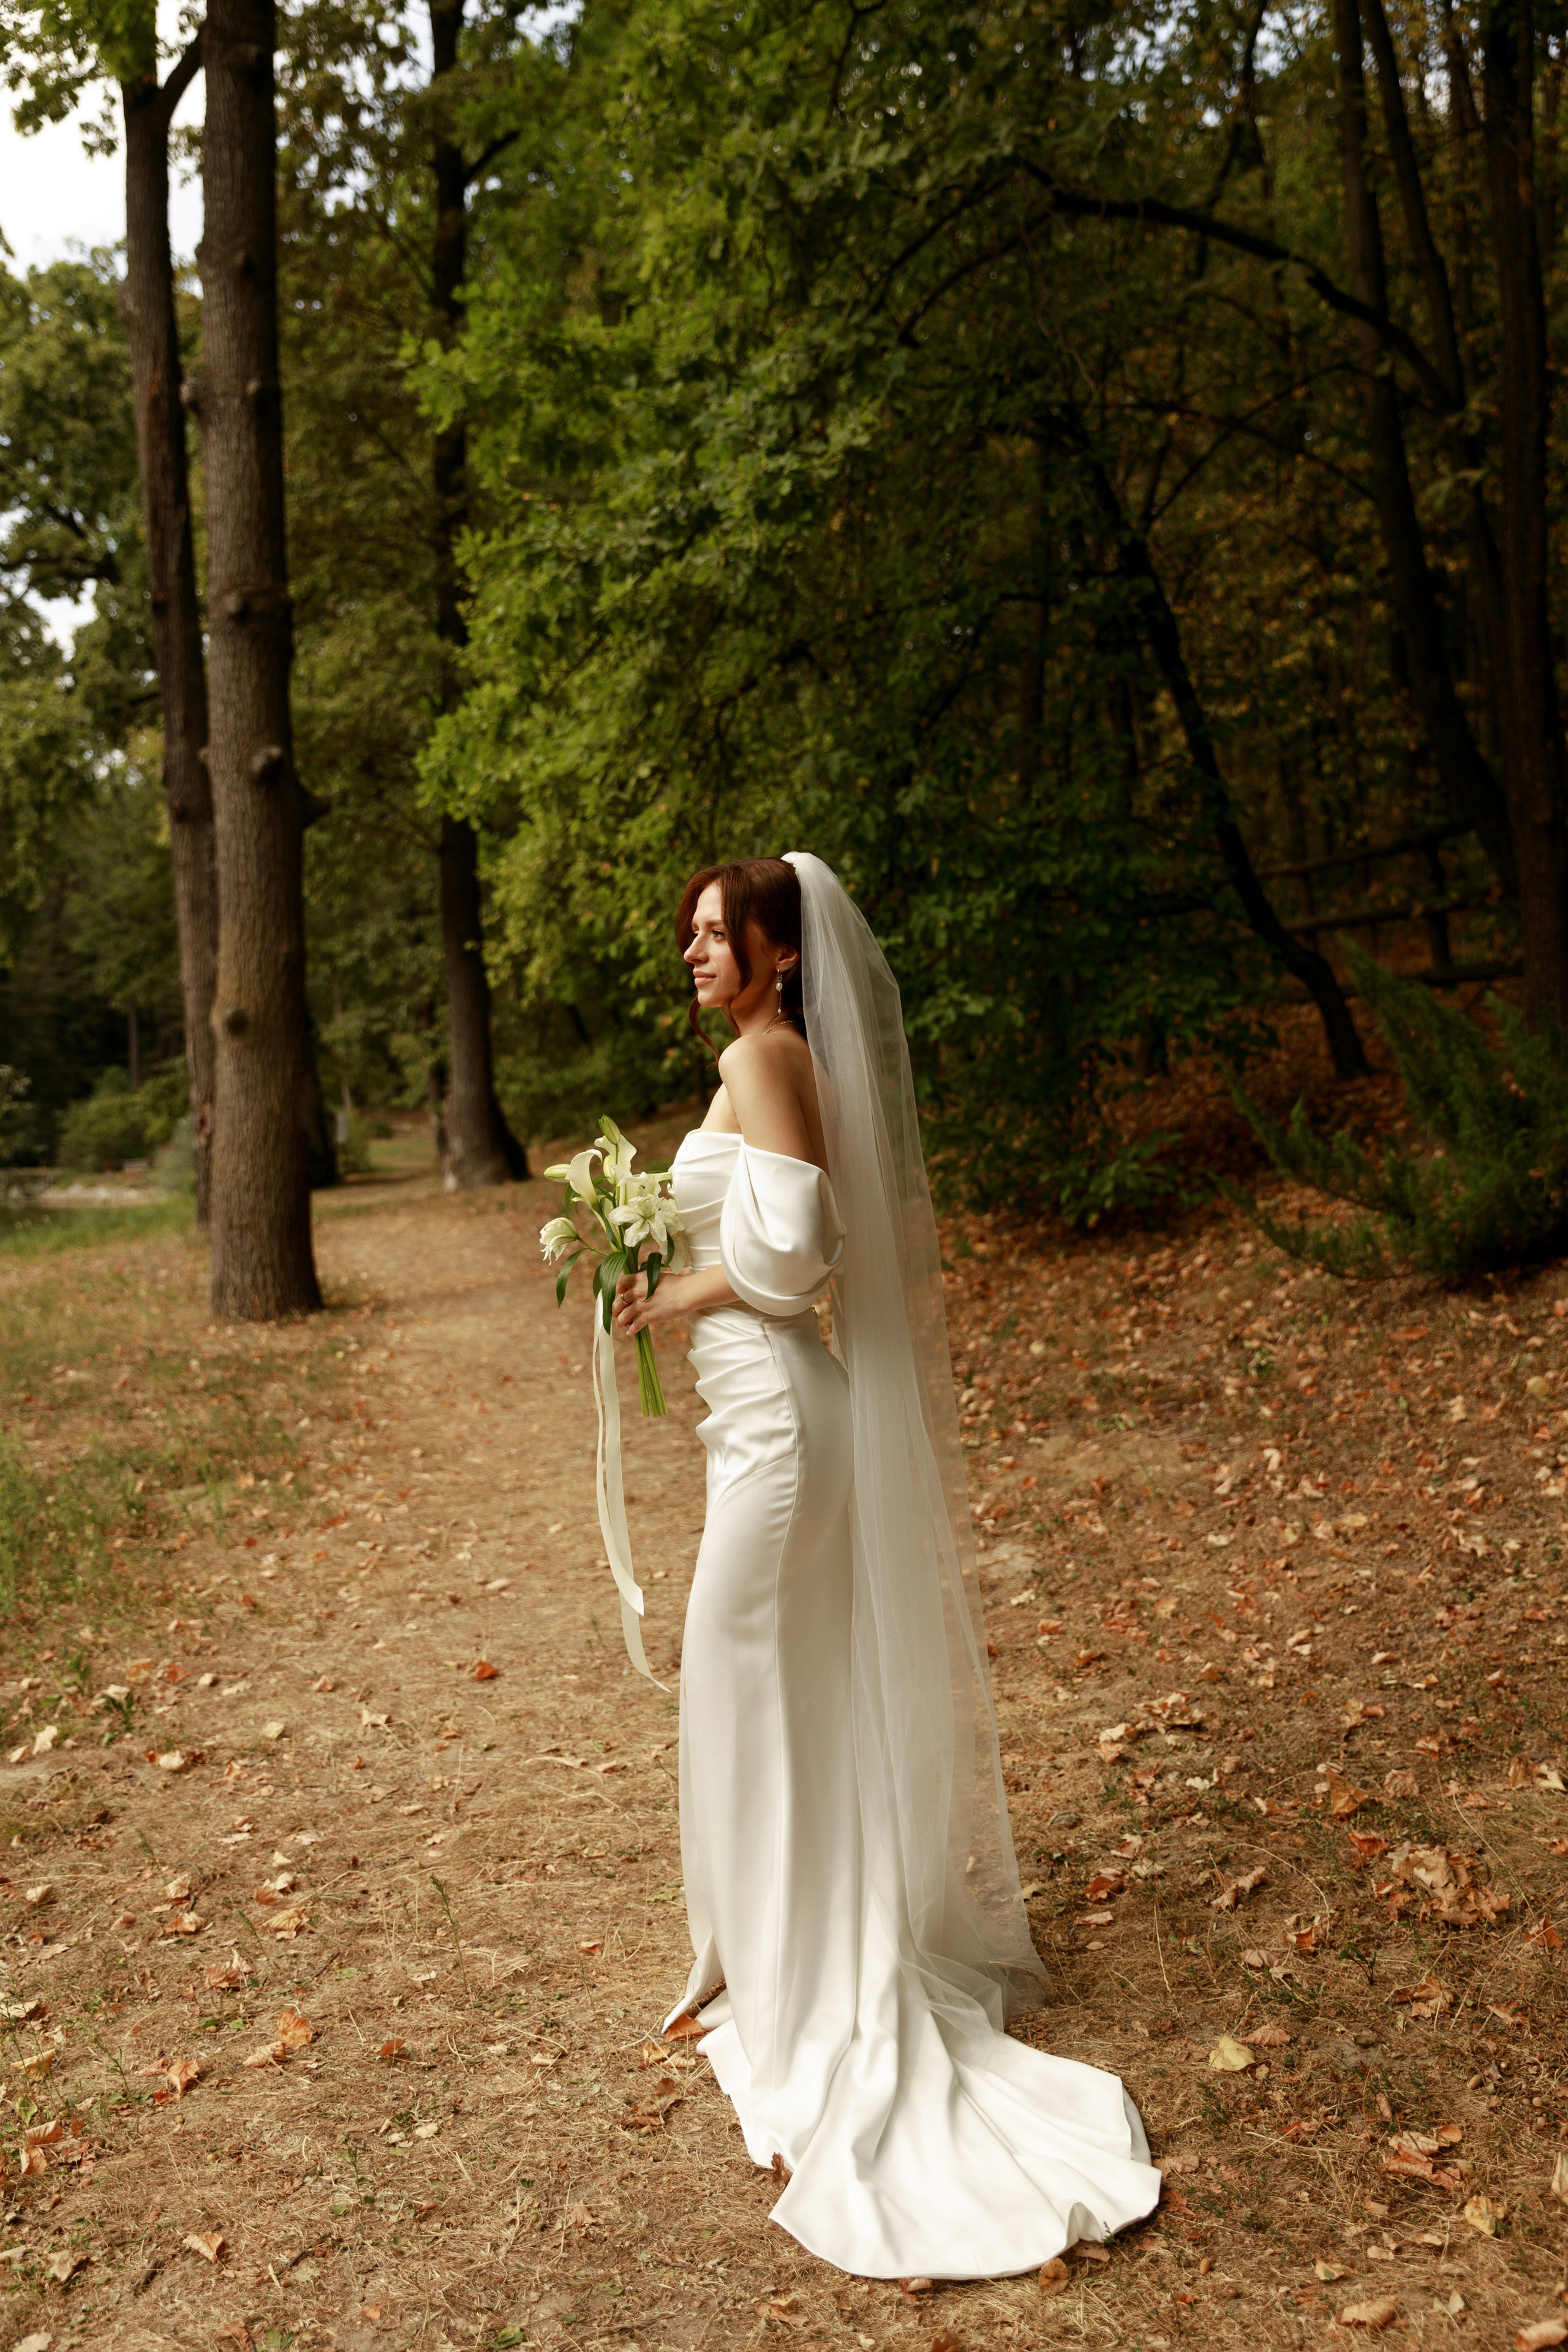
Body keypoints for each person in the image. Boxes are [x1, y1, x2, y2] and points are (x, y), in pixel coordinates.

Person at [611, 853, 1159, 2280]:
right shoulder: (762, 1058)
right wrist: (653, 1272)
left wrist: (672, 1287)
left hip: (783, 1430)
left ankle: (800, 1985)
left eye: (718, 934)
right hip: (762, 1424)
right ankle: (762, 1964)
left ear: (782, 953)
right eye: (689, 935)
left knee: (743, 1687)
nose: (696, 952)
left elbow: (797, 1261)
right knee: (770, 1698)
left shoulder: (766, 1059)